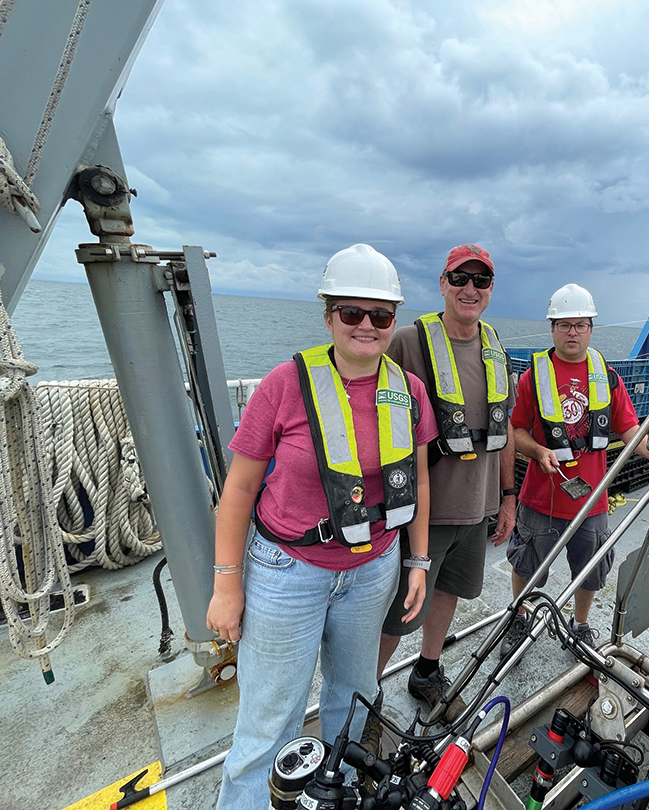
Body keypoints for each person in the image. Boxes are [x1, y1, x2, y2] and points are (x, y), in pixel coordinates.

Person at [208, 244, 438, 809]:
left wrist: (417, 560)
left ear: (394, 321)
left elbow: (420, 482)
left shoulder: (408, 392)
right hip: (289, 570)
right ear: (328, 315)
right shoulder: (284, 385)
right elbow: (238, 489)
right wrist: (226, 583)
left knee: (355, 700)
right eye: (351, 313)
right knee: (270, 717)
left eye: (380, 315)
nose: (366, 326)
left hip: (373, 567)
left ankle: (334, 796)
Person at [373, 243, 516, 725]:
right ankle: (365, 692)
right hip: (421, 512)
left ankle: (427, 670)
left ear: (491, 289)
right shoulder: (408, 342)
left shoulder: (496, 346)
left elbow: (505, 429)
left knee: (449, 591)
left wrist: (509, 497)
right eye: (460, 278)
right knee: (397, 611)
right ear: (442, 283)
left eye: (481, 280)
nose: (469, 289)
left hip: (475, 508)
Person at [501, 283, 649, 655]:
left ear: (591, 328)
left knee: (590, 570)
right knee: (526, 564)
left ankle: (580, 624)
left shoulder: (606, 377)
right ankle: (519, 615)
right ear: (552, 329)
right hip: (540, 499)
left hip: (592, 501)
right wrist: (538, 450)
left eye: (580, 324)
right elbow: (517, 430)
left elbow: (627, 428)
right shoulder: (532, 376)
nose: (572, 332)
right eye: (564, 325)